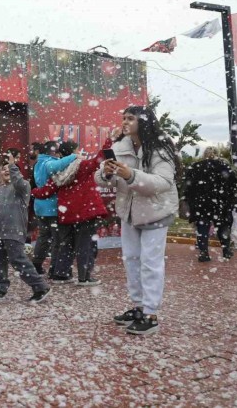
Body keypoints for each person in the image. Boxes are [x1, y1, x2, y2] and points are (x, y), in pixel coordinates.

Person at [95, 106, 180, 335]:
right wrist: (107, 173)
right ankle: (138, 307)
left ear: (144, 121)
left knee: (150, 263)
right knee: (131, 260)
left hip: (155, 212)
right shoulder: (119, 147)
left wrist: (130, 175)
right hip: (129, 213)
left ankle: (151, 314)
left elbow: (163, 182)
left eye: (130, 118)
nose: (125, 122)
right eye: (123, 118)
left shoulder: (160, 149)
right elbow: (102, 179)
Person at [32, 136, 116, 286]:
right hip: (84, 212)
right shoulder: (82, 166)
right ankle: (84, 277)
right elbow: (99, 158)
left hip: (66, 212)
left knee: (67, 244)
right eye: (78, 149)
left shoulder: (59, 170)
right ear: (74, 152)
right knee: (86, 244)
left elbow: (47, 191)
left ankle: (61, 275)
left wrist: (32, 192)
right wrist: (110, 141)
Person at [0, 154, 50, 302]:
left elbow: (19, 182)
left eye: (9, 169)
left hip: (14, 232)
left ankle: (40, 286)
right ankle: (0, 288)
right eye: (3, 169)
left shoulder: (23, 187)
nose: (6, 171)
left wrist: (12, 167)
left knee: (18, 260)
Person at [31, 141, 78, 279]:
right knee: (57, 240)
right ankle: (54, 269)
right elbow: (55, 167)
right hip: (50, 208)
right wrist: (74, 156)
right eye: (56, 151)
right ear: (52, 151)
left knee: (44, 237)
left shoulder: (38, 163)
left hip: (40, 206)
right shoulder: (48, 162)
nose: (58, 154)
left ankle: (37, 263)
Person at [184, 147, 237, 262]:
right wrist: (231, 200)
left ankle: (204, 252)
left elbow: (188, 186)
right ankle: (226, 250)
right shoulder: (224, 167)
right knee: (223, 226)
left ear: (204, 154)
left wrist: (190, 200)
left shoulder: (195, 167)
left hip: (201, 203)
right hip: (221, 202)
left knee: (202, 227)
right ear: (217, 154)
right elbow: (233, 185)